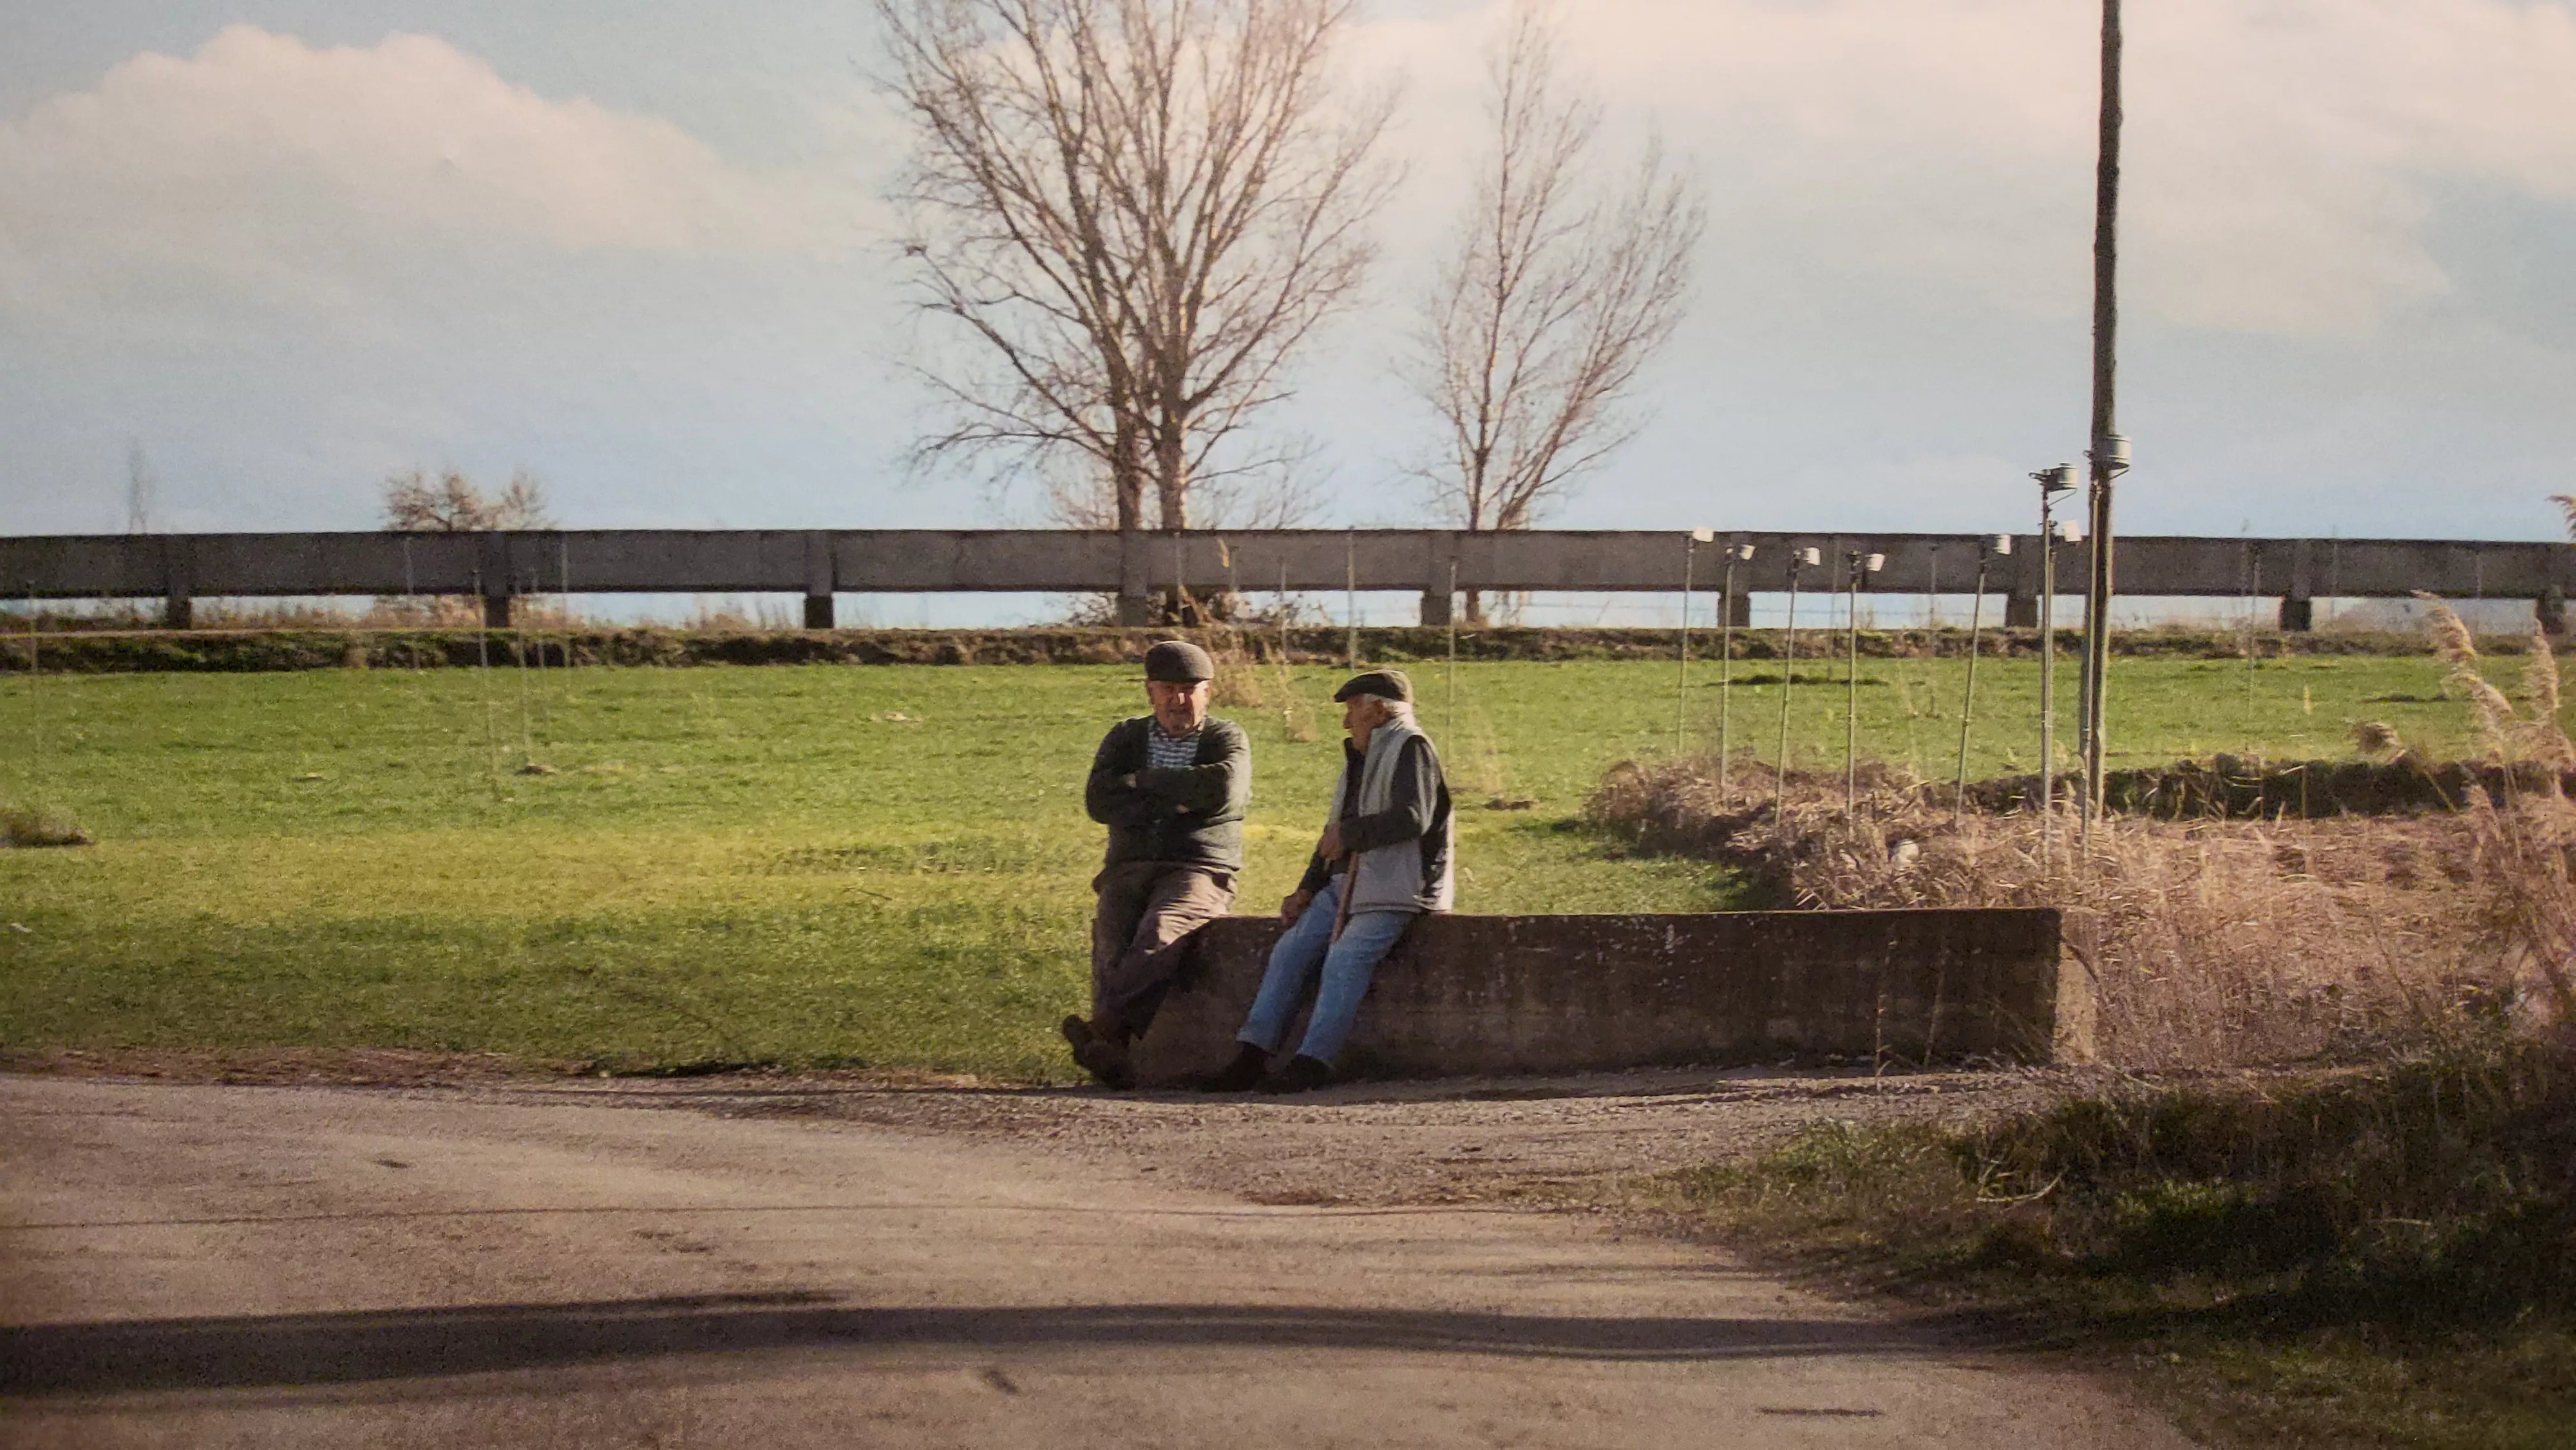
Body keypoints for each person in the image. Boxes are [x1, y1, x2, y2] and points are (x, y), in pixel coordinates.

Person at [1202, 669, 1453, 1094]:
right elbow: (1332, 837)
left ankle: (1313, 1062)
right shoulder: (1365, 755)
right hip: (1347, 886)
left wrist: (1349, 837)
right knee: (1290, 951)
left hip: (1397, 887)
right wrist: (1307, 887)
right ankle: (1252, 1055)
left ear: (1379, 710)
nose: (1345, 721)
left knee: (1345, 960)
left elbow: (1414, 818)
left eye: (1352, 708)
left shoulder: (1412, 746)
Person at [1062, 639, 1251, 1088]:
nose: (1178, 700)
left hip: (1199, 865)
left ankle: (1106, 1030)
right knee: (1113, 934)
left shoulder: (1226, 738)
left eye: (1190, 689)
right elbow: (1100, 801)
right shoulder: (1126, 737)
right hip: (1129, 865)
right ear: (1150, 692)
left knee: (1163, 928)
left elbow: (1221, 792)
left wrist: (1142, 783)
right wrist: (1179, 800)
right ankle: (1115, 1055)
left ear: (1208, 692)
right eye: (1168, 689)